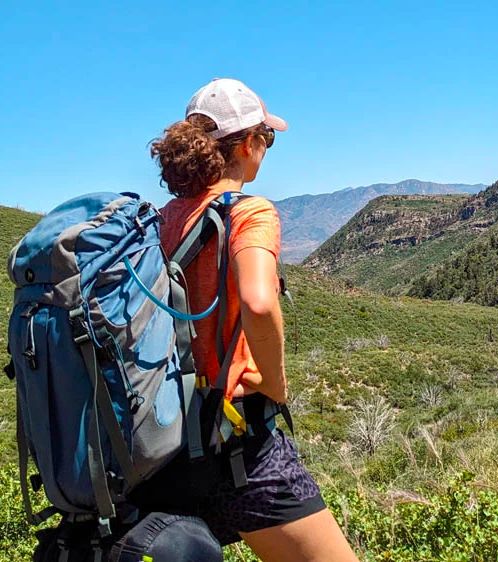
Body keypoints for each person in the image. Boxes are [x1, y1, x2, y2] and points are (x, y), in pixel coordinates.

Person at [132, 78, 360, 562]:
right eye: (267, 137)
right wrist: (276, 383)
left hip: (166, 450)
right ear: (247, 144)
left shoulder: (160, 220)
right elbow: (258, 302)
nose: (268, 148)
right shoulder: (250, 213)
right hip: (239, 443)